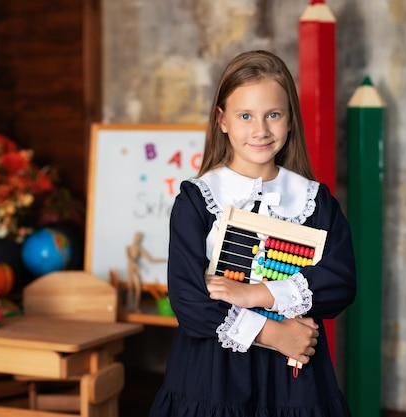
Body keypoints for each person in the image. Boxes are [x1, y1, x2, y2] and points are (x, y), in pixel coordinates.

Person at [148, 50, 356, 417]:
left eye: (273, 114)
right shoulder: (197, 200)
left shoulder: (315, 200)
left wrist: (254, 293)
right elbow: (190, 303)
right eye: (245, 116)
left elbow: (339, 282)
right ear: (222, 120)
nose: (260, 130)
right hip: (213, 376)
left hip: (296, 381)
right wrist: (273, 334)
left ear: (290, 120)